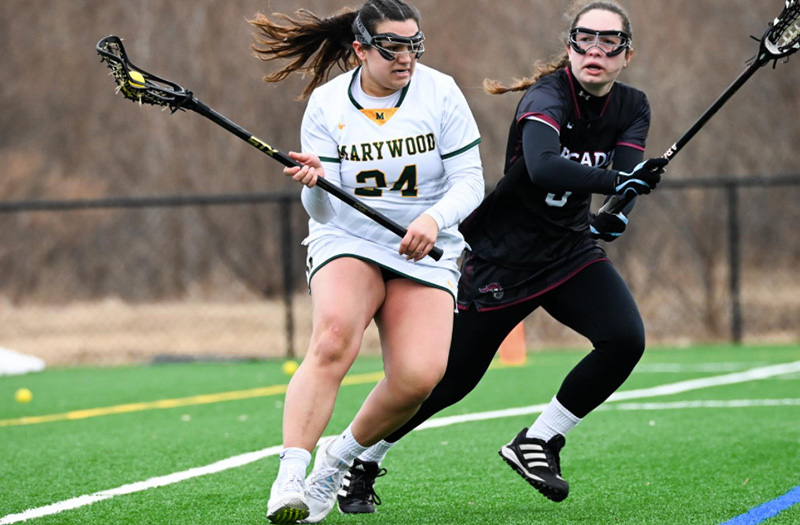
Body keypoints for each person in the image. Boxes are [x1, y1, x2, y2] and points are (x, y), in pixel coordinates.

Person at [336, 0, 668, 514]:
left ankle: (539, 440)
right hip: (503, 257)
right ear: (570, 47)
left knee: (624, 339)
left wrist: (615, 212)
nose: (595, 50)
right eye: (584, 38)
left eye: (609, 41)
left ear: (627, 54)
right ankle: (361, 459)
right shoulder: (548, 96)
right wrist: (617, 182)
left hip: (569, 251)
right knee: (449, 381)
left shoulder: (632, 105)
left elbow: (623, 178)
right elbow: (543, 166)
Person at [249, 1, 485, 523]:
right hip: (349, 238)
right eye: (392, 47)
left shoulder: (440, 91)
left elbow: (471, 180)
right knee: (334, 337)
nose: (407, 58)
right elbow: (323, 209)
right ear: (360, 49)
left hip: (425, 245)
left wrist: (433, 220)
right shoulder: (327, 103)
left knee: (419, 378)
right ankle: (291, 474)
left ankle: (337, 459)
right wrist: (315, 183)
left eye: (414, 45)